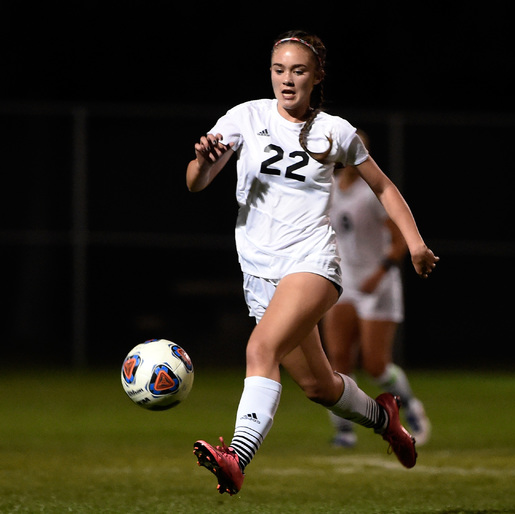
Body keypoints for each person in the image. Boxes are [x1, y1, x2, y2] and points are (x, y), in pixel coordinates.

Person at [186, 30, 438, 496]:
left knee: (260, 351)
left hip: (311, 263)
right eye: (279, 70)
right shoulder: (247, 116)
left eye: (298, 70)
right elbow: (196, 183)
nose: (287, 79)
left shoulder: (334, 131)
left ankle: (236, 458)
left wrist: (415, 243)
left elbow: (382, 187)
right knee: (321, 387)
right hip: (259, 272)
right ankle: (386, 418)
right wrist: (203, 162)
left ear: (316, 75)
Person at [322, 130, 431, 449]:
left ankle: (411, 409)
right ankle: (344, 431)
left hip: (377, 283)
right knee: (338, 360)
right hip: (343, 281)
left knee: (375, 364)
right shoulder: (327, 188)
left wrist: (378, 272)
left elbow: (398, 242)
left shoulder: (372, 191)